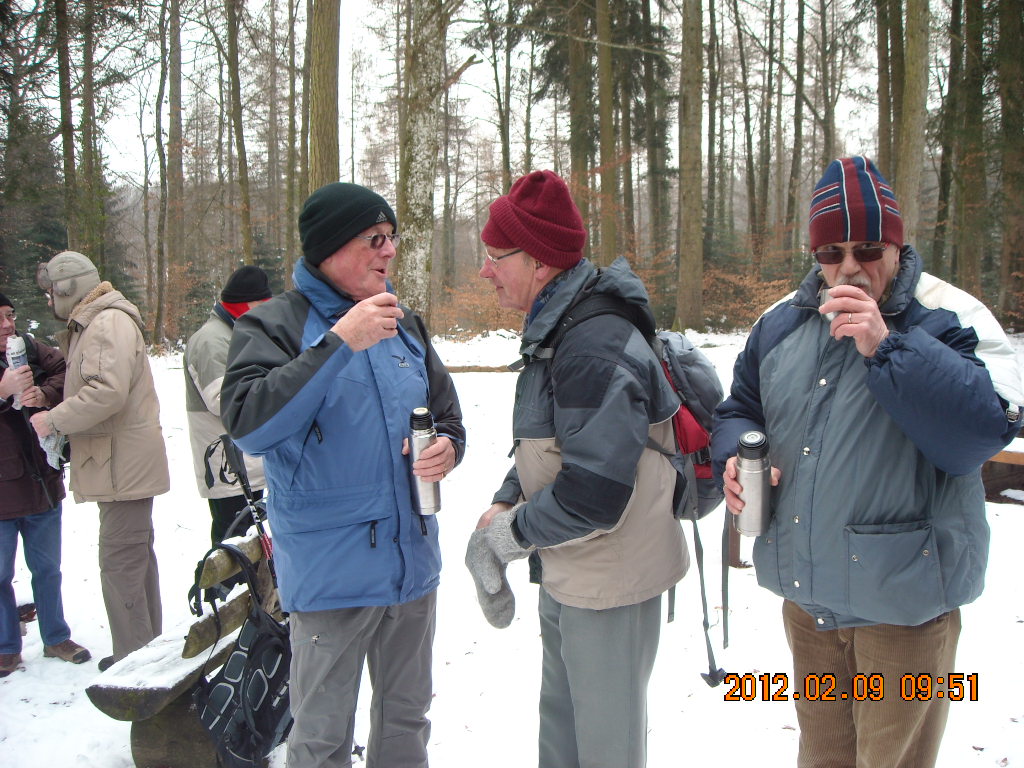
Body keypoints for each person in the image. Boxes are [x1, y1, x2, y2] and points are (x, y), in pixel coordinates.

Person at [711, 156, 1024, 768]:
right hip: (810, 605)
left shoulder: (951, 316)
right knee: (822, 758)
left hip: (904, 612)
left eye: (869, 249)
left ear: (897, 245)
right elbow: (740, 407)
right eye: (832, 252)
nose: (850, 267)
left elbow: (982, 433)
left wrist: (887, 346)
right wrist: (739, 454)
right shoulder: (781, 322)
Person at [221, 182, 466, 768]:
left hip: (411, 563)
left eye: (392, 238)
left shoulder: (406, 323)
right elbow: (250, 426)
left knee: (407, 722)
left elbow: (448, 416)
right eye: (374, 239)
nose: (389, 252)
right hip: (331, 575)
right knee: (322, 738)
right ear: (331, 248)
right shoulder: (275, 325)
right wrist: (338, 344)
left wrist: (448, 449)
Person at [466, 170, 687, 768]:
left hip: (611, 580)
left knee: (606, 748)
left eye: (495, 257)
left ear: (538, 262)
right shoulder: (557, 328)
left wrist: (506, 537)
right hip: (572, 565)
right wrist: (508, 498)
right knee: (562, 737)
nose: (485, 270)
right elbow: (553, 441)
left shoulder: (592, 344)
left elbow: (593, 496)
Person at [30, 252, 169, 672]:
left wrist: (53, 420)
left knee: (122, 564)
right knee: (133, 562)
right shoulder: (96, 322)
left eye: (52, 291)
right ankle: (144, 652)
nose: (49, 299)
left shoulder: (106, 323)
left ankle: (136, 666)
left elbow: (106, 392)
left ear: (68, 288)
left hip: (122, 467)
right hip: (119, 465)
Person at [0, 293, 90, 676]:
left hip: (41, 482)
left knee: (48, 569)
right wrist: (3, 389)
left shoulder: (30, 348)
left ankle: (56, 637)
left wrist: (44, 393)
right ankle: (6, 647)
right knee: (0, 576)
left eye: (10, 315)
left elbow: (68, 370)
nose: (8, 324)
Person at [184, 265, 270, 545]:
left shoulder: (236, 333)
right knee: (233, 546)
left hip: (246, 462)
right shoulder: (212, 340)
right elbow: (225, 401)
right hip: (228, 465)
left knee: (251, 546)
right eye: (262, 305)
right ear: (246, 304)